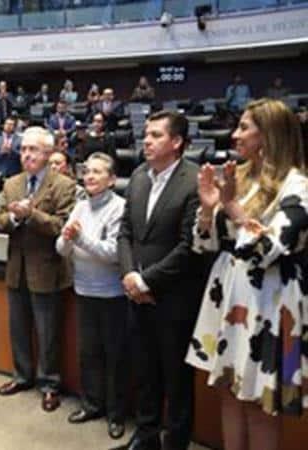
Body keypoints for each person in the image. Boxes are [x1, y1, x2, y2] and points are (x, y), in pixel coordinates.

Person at [186, 99, 308, 450]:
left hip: (267, 300)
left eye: (244, 127)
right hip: (228, 292)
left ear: (267, 135)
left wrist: (233, 209)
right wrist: (208, 212)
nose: (234, 134)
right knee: (228, 392)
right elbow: (205, 245)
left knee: (257, 402)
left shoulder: (296, 185)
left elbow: (273, 247)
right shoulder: (237, 176)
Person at [117, 110, 206, 450]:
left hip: (174, 300)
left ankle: (176, 443)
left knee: (177, 381)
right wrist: (129, 275)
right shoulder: (139, 175)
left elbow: (190, 247)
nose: (146, 141)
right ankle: (146, 437)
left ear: (177, 142)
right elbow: (125, 232)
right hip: (136, 295)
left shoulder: (195, 180)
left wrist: (146, 281)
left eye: (155, 135)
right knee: (145, 374)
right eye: (147, 135)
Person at [0, 126, 77, 413]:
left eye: (33, 150)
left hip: (48, 270)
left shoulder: (63, 185)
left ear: (48, 153)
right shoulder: (11, 184)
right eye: (24, 149)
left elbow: (62, 227)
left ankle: (50, 384)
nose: (26, 155)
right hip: (16, 268)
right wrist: (15, 220)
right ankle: (22, 376)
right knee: (18, 329)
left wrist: (31, 215)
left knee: (48, 333)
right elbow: (0, 218)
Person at [55, 152, 127, 440]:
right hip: (83, 290)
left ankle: (116, 414)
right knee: (88, 354)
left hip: (112, 294)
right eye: (87, 171)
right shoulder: (80, 206)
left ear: (111, 179)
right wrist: (68, 238)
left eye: (98, 172)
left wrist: (79, 238)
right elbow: (61, 249)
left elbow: (113, 254)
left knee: (115, 357)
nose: (90, 176)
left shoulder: (119, 208)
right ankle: (92, 405)